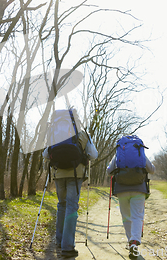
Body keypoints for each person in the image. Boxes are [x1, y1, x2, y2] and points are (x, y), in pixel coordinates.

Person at [43, 109, 98, 258]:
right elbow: (93, 154)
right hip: (76, 174)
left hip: (59, 174)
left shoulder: (53, 132)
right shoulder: (82, 133)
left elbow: (45, 154)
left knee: (62, 205)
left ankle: (59, 240)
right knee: (72, 206)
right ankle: (68, 247)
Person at [106, 137, 155, 259]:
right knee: (137, 216)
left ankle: (130, 242)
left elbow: (109, 171)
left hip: (122, 189)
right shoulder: (140, 153)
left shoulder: (118, 153)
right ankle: (134, 243)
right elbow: (152, 170)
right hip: (139, 189)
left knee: (126, 217)